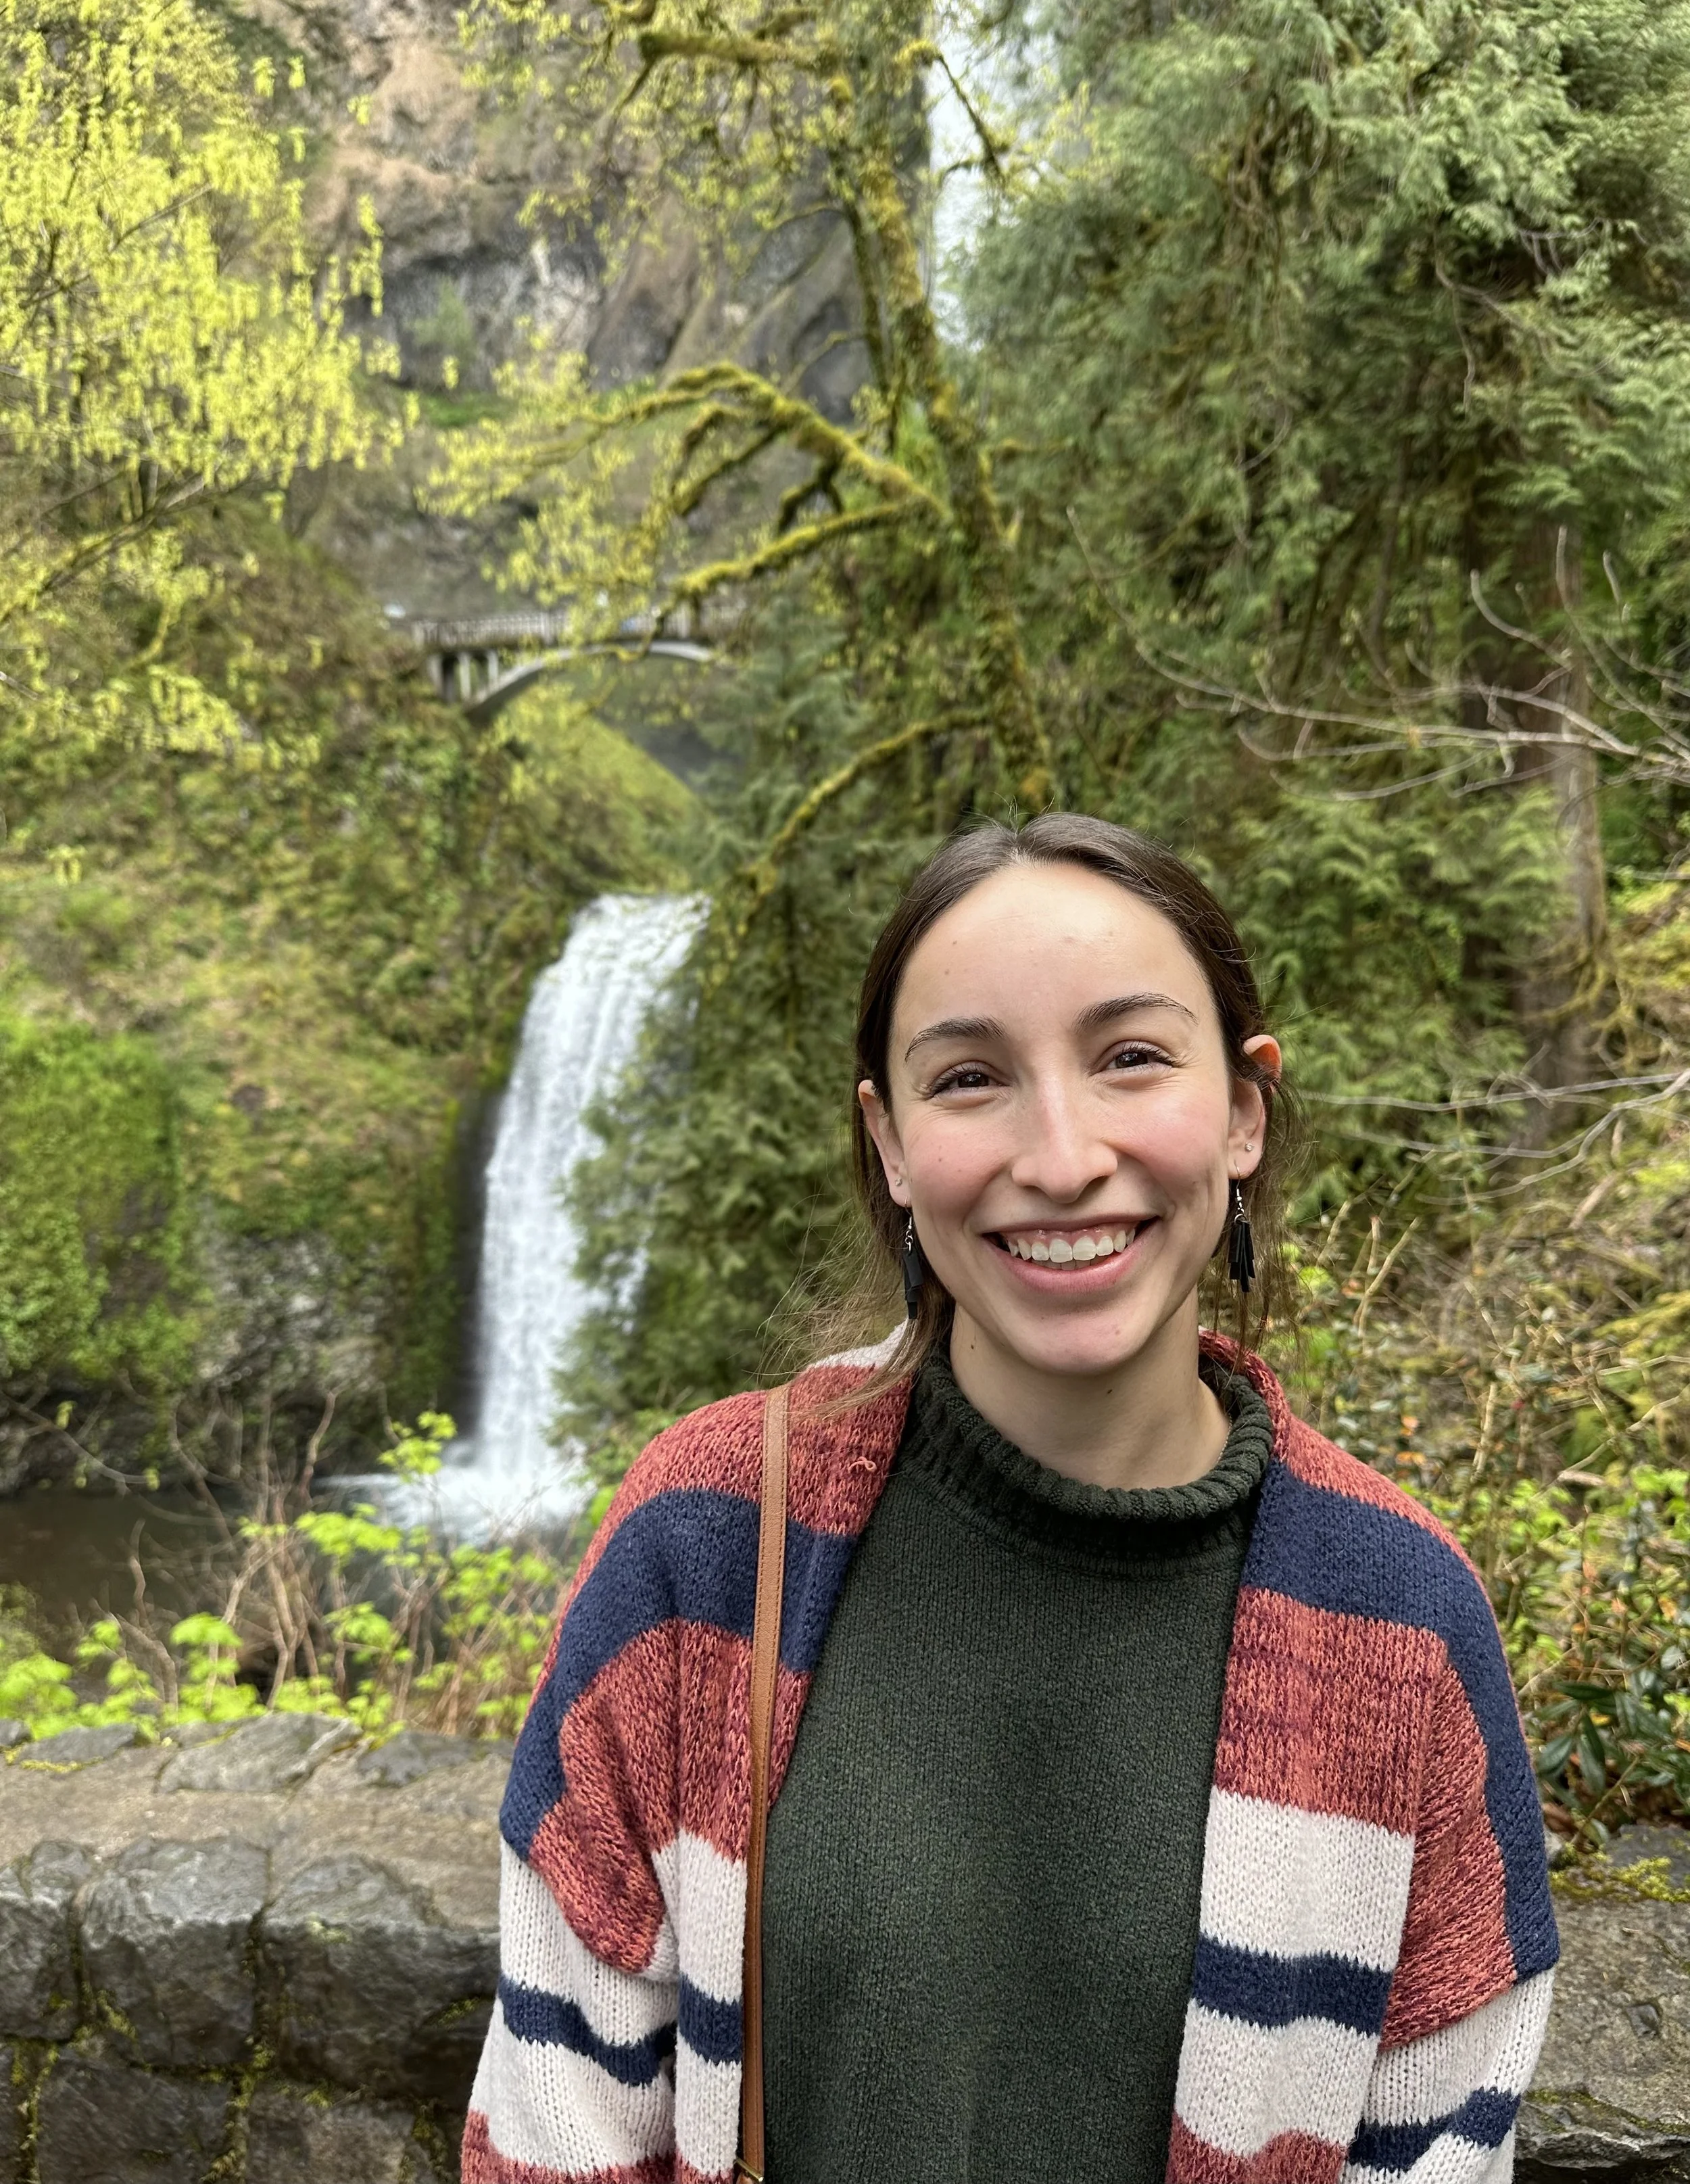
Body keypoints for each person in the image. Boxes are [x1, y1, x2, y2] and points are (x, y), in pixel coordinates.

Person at [463, 814, 1557, 2184]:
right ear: (892, 1143)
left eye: (1129, 1058)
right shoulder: (705, 1535)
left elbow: (1436, 2144)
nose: (1057, 1154)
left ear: (1240, 1108)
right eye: (970, 1076)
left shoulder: (1401, 1622)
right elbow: (553, 2119)